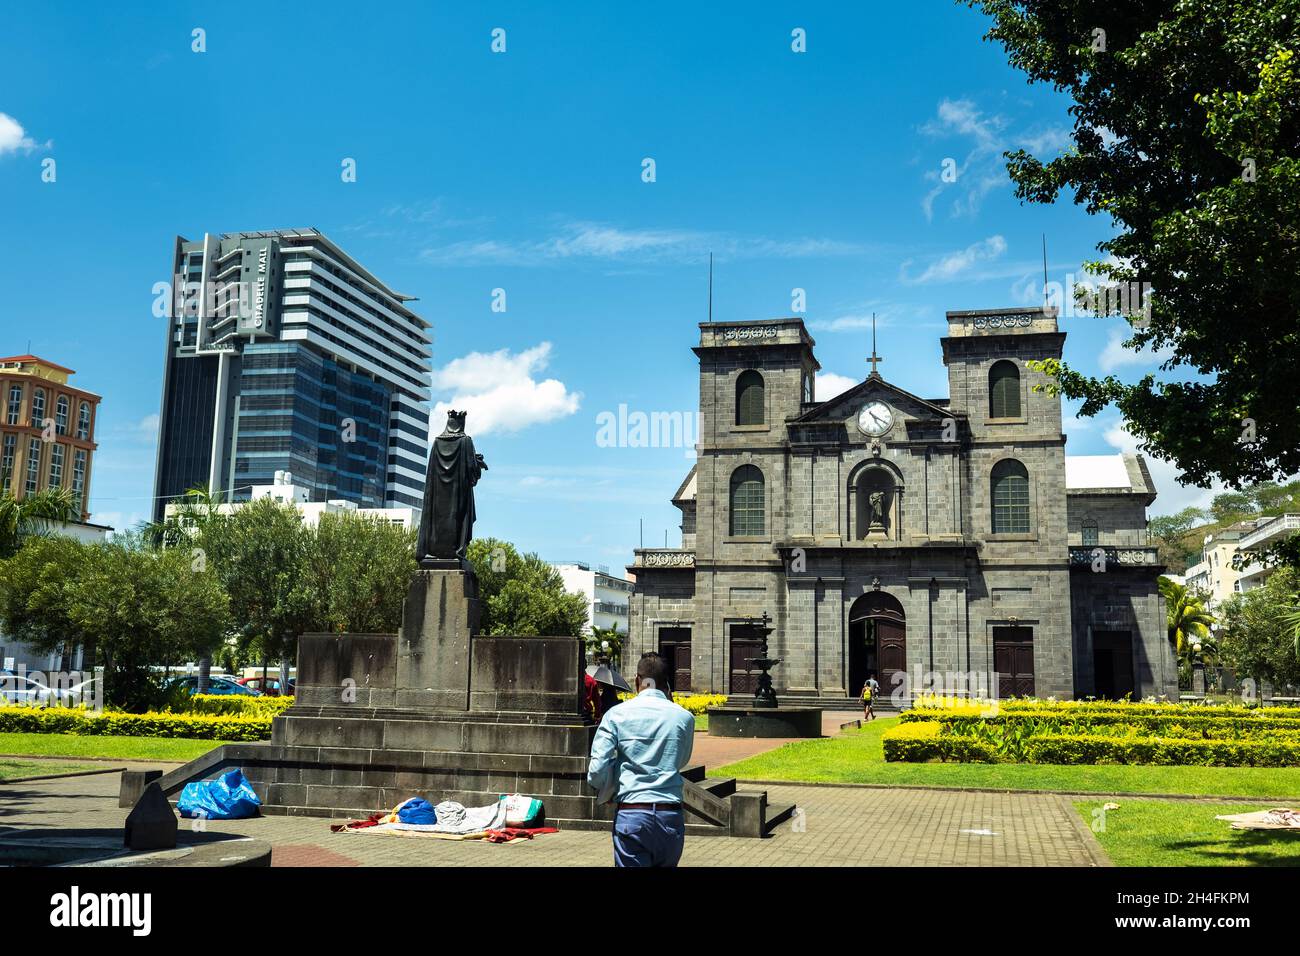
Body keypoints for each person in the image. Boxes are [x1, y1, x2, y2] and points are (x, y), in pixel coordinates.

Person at [586, 652, 694, 867]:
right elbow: (681, 760)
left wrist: (605, 788)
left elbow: (596, 768)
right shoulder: (684, 717)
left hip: (632, 812)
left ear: (638, 680)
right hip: (669, 815)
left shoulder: (616, 715)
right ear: (666, 684)